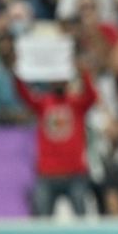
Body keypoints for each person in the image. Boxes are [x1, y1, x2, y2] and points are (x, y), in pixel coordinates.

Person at [14, 66, 97, 217]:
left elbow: (92, 97)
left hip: (75, 173)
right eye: (55, 80)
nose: (58, 83)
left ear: (67, 82)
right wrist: (19, 73)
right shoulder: (42, 104)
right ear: (50, 83)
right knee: (42, 221)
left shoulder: (76, 104)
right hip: (47, 174)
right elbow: (24, 95)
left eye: (62, 80)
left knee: (82, 220)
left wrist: (84, 71)